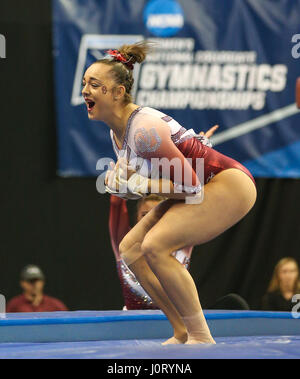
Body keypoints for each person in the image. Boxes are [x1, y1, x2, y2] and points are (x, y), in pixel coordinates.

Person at [82, 41, 256, 344]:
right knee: (130, 250)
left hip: (228, 184)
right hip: (201, 185)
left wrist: (136, 186)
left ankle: (201, 336)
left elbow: (190, 187)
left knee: (155, 246)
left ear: (119, 92)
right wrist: (119, 185)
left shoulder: (143, 130)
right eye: (85, 83)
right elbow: (137, 187)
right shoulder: (118, 133)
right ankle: (182, 329)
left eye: (95, 85)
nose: (86, 90)